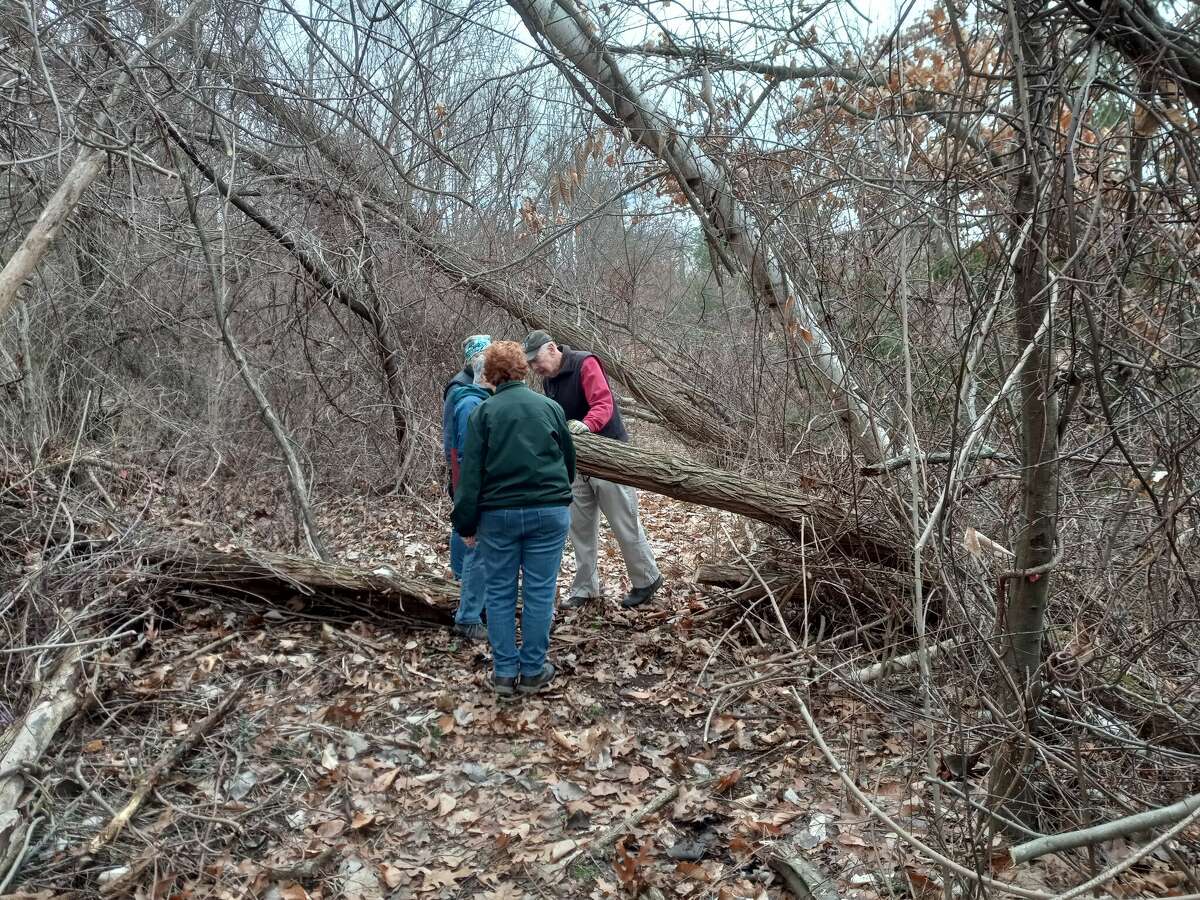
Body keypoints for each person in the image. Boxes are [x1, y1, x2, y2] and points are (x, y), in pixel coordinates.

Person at [452, 341, 576, 697]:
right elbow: (568, 462)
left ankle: (505, 673)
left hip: (498, 516)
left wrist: (466, 524)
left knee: (500, 592)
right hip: (549, 512)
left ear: (490, 375)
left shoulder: (483, 414)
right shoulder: (550, 408)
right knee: (539, 592)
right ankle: (534, 670)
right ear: (523, 369)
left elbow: (470, 475)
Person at [522, 330, 663, 609]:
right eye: (530, 363)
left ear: (551, 348)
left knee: (624, 522)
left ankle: (646, 578)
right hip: (576, 462)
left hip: (610, 457)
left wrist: (587, 424)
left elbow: (603, 403)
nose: (534, 367)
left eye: (536, 359)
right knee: (579, 527)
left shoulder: (585, 363)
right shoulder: (549, 380)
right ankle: (585, 589)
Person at [446, 339, 493, 640]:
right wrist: (464, 488)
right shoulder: (465, 396)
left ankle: (471, 594)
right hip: (466, 476)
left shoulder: (471, 391)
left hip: (468, 475)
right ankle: (467, 598)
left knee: (472, 534)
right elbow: (463, 450)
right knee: (471, 535)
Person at [442, 335, 490, 580]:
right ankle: (460, 573)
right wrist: (456, 468)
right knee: (464, 516)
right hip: (461, 462)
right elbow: (456, 435)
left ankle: (466, 573)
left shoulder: (472, 383)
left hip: (468, 461)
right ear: (473, 359)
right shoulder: (461, 388)